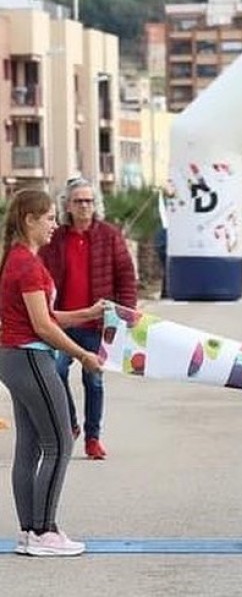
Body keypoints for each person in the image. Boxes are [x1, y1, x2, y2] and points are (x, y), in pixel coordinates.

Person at [0, 189, 107, 556]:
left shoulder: (18, 259)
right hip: (30, 357)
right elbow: (42, 329)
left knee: (30, 446)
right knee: (60, 442)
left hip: (16, 356)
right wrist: (84, 355)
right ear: (29, 220)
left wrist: (87, 313)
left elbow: (44, 316)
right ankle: (45, 532)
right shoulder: (26, 265)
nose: (54, 224)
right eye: (47, 218)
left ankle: (30, 532)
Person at [40, 177, 137, 461]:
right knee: (56, 373)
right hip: (62, 323)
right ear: (67, 206)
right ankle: (70, 424)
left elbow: (126, 278)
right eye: (79, 201)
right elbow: (40, 273)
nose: (85, 206)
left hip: (97, 325)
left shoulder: (109, 235)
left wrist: (125, 317)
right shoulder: (55, 238)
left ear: (96, 205)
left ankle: (93, 439)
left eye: (89, 201)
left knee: (93, 381)